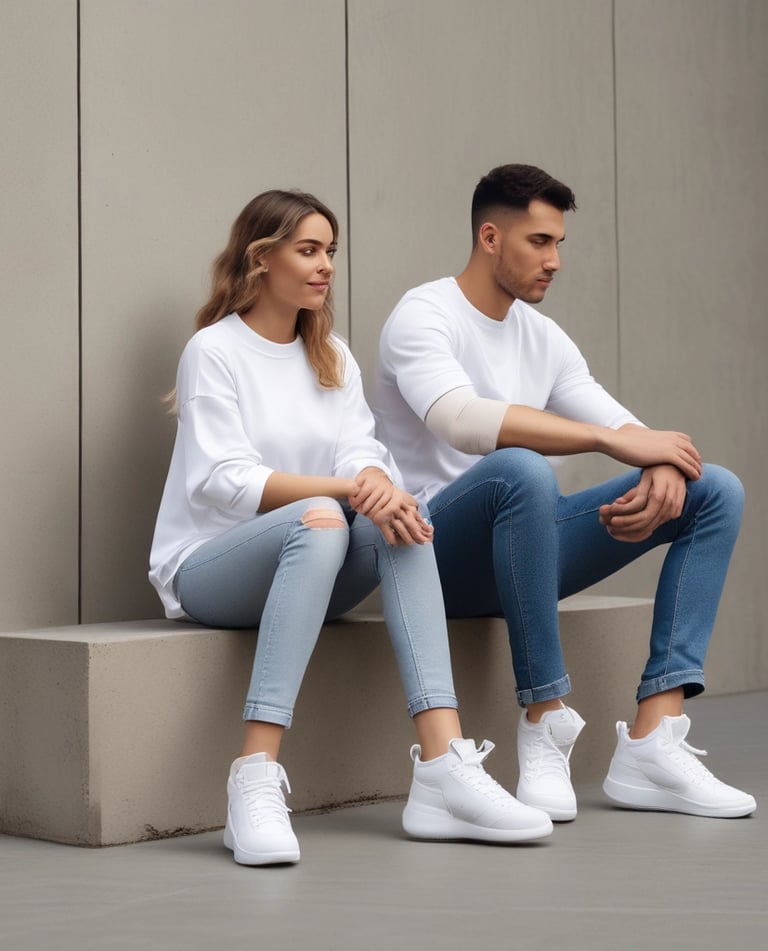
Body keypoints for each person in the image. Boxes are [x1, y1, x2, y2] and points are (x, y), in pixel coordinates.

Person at [148, 188, 554, 867]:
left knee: (402, 514)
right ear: (260, 259)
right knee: (326, 517)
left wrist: (377, 487)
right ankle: (253, 772)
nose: (325, 265)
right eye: (308, 250)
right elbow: (227, 480)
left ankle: (441, 765)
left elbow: (360, 452)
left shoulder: (330, 353)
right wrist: (351, 490)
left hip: (317, 550)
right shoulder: (213, 352)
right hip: (207, 569)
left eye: (330, 251)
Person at [375, 164, 756, 823]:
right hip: (434, 554)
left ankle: (652, 740)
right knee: (519, 468)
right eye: (539, 242)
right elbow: (461, 419)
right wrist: (614, 443)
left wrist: (661, 457)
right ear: (490, 237)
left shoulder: (540, 335)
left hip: (523, 547)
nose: (554, 260)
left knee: (713, 487)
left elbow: (616, 418)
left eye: (559, 244)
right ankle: (543, 718)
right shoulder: (423, 315)